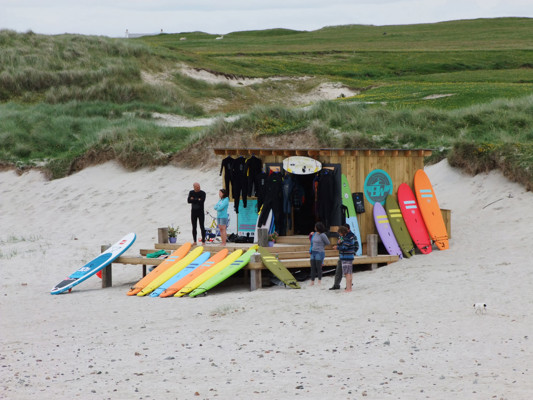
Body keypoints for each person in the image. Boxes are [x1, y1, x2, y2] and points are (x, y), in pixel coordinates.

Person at [329, 223, 359, 290]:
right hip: (342, 255)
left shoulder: (351, 236)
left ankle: (348, 286)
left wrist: (352, 252)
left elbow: (355, 246)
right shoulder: (342, 236)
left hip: (347, 255)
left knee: (347, 272)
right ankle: (336, 285)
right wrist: (338, 243)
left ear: (348, 229)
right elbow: (340, 243)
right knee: (339, 271)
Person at [308, 221, 330, 286]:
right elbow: (311, 241)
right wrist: (310, 235)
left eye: (316, 227)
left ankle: (319, 281)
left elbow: (328, 242)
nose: (315, 228)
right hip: (313, 252)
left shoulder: (323, 235)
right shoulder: (314, 234)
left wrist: (322, 245)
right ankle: (312, 281)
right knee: (312, 267)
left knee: (318, 267)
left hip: (319, 252)